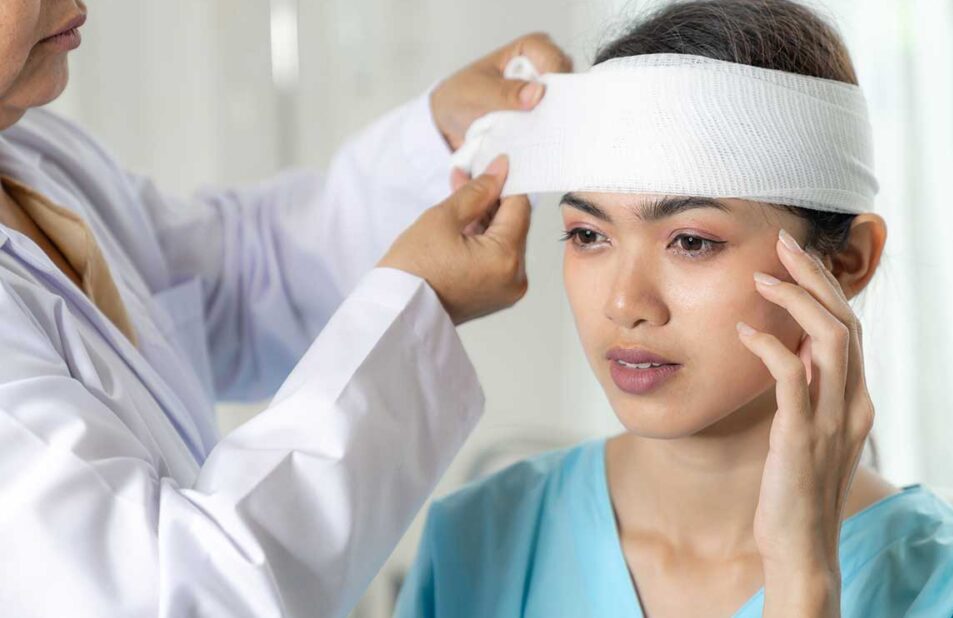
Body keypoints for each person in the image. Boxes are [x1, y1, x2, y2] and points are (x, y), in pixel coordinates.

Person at [394, 1, 953, 616]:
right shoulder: (477, 540)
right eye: (587, 235)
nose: (625, 303)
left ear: (847, 263)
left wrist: (803, 574)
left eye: (691, 241)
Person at [0, 1, 572, 616]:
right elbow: (185, 597)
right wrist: (418, 303)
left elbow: (238, 279)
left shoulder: (29, 146)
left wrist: (440, 145)